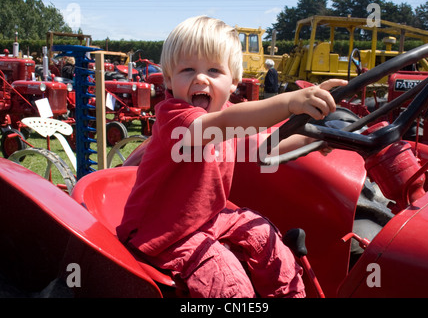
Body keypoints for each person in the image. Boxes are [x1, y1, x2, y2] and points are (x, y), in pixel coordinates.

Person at [116, 16, 347, 298]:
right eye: (188, 69)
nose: (200, 78)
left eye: (214, 70)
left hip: (209, 218)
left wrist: (314, 138)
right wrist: (288, 102)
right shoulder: (174, 117)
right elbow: (223, 123)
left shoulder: (227, 115)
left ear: (234, 81)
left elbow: (267, 145)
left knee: (266, 237)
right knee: (226, 279)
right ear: (168, 79)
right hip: (160, 231)